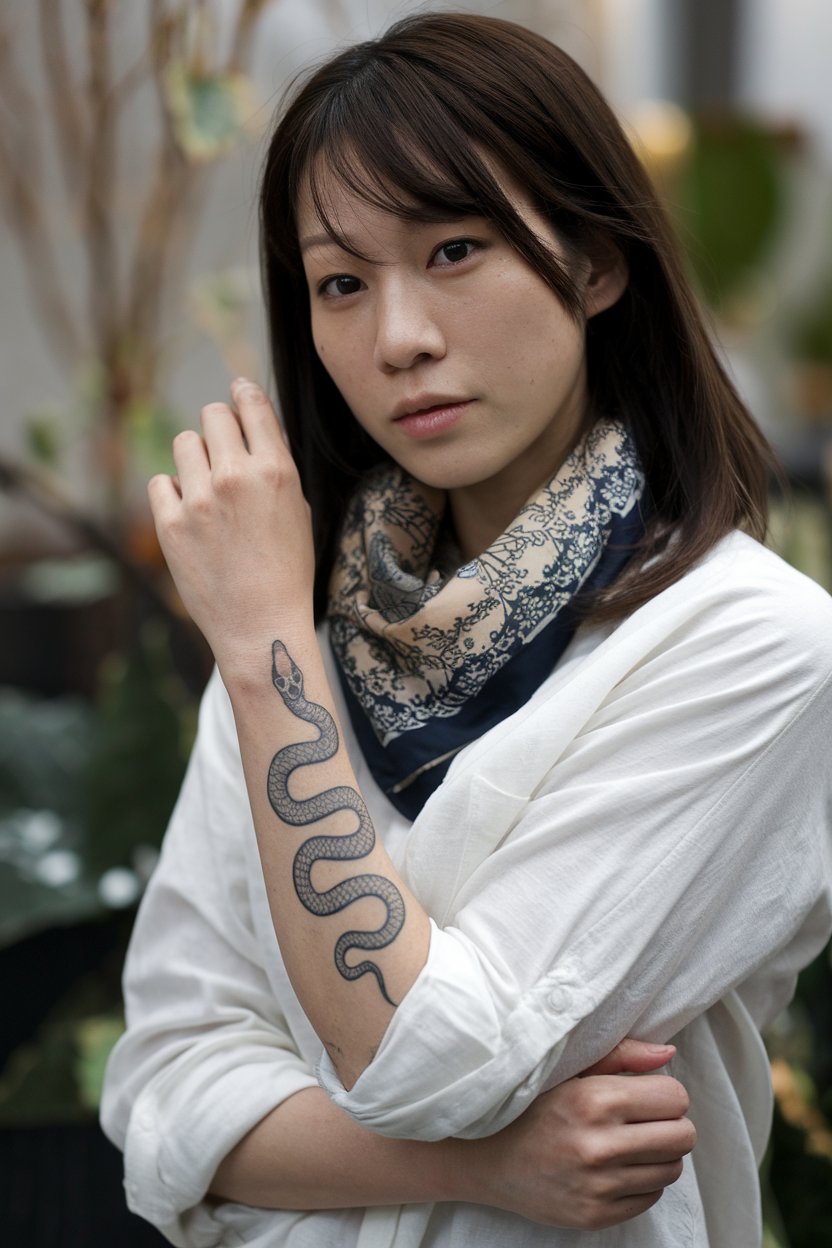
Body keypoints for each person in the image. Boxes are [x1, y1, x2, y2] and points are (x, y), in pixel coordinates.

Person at [100, 12, 832, 1247]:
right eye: (340, 282)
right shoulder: (295, 626)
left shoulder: (749, 643)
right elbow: (163, 1082)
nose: (399, 340)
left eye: (453, 251)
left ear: (596, 262)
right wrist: (492, 1166)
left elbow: (428, 1054)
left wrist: (268, 655)